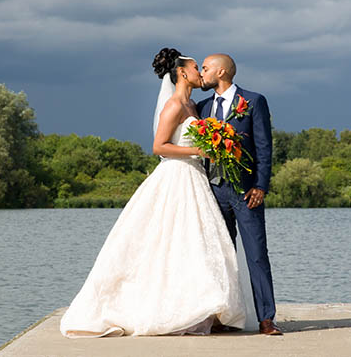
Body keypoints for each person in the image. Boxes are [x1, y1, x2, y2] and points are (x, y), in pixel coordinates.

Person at [58, 48, 247, 337]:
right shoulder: (173, 106)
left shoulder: (195, 107)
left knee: (197, 244)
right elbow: (159, 147)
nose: (201, 72)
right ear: (182, 73)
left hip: (196, 178)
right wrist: (200, 150)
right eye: (197, 67)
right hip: (176, 177)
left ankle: (207, 308)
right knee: (170, 241)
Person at [198, 53, 282, 335]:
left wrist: (261, 185)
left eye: (206, 68)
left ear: (221, 72)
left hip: (247, 193)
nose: (202, 73)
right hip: (213, 192)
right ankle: (225, 316)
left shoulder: (254, 101)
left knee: (257, 254)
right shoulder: (203, 107)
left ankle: (266, 319)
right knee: (221, 257)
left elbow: (264, 147)